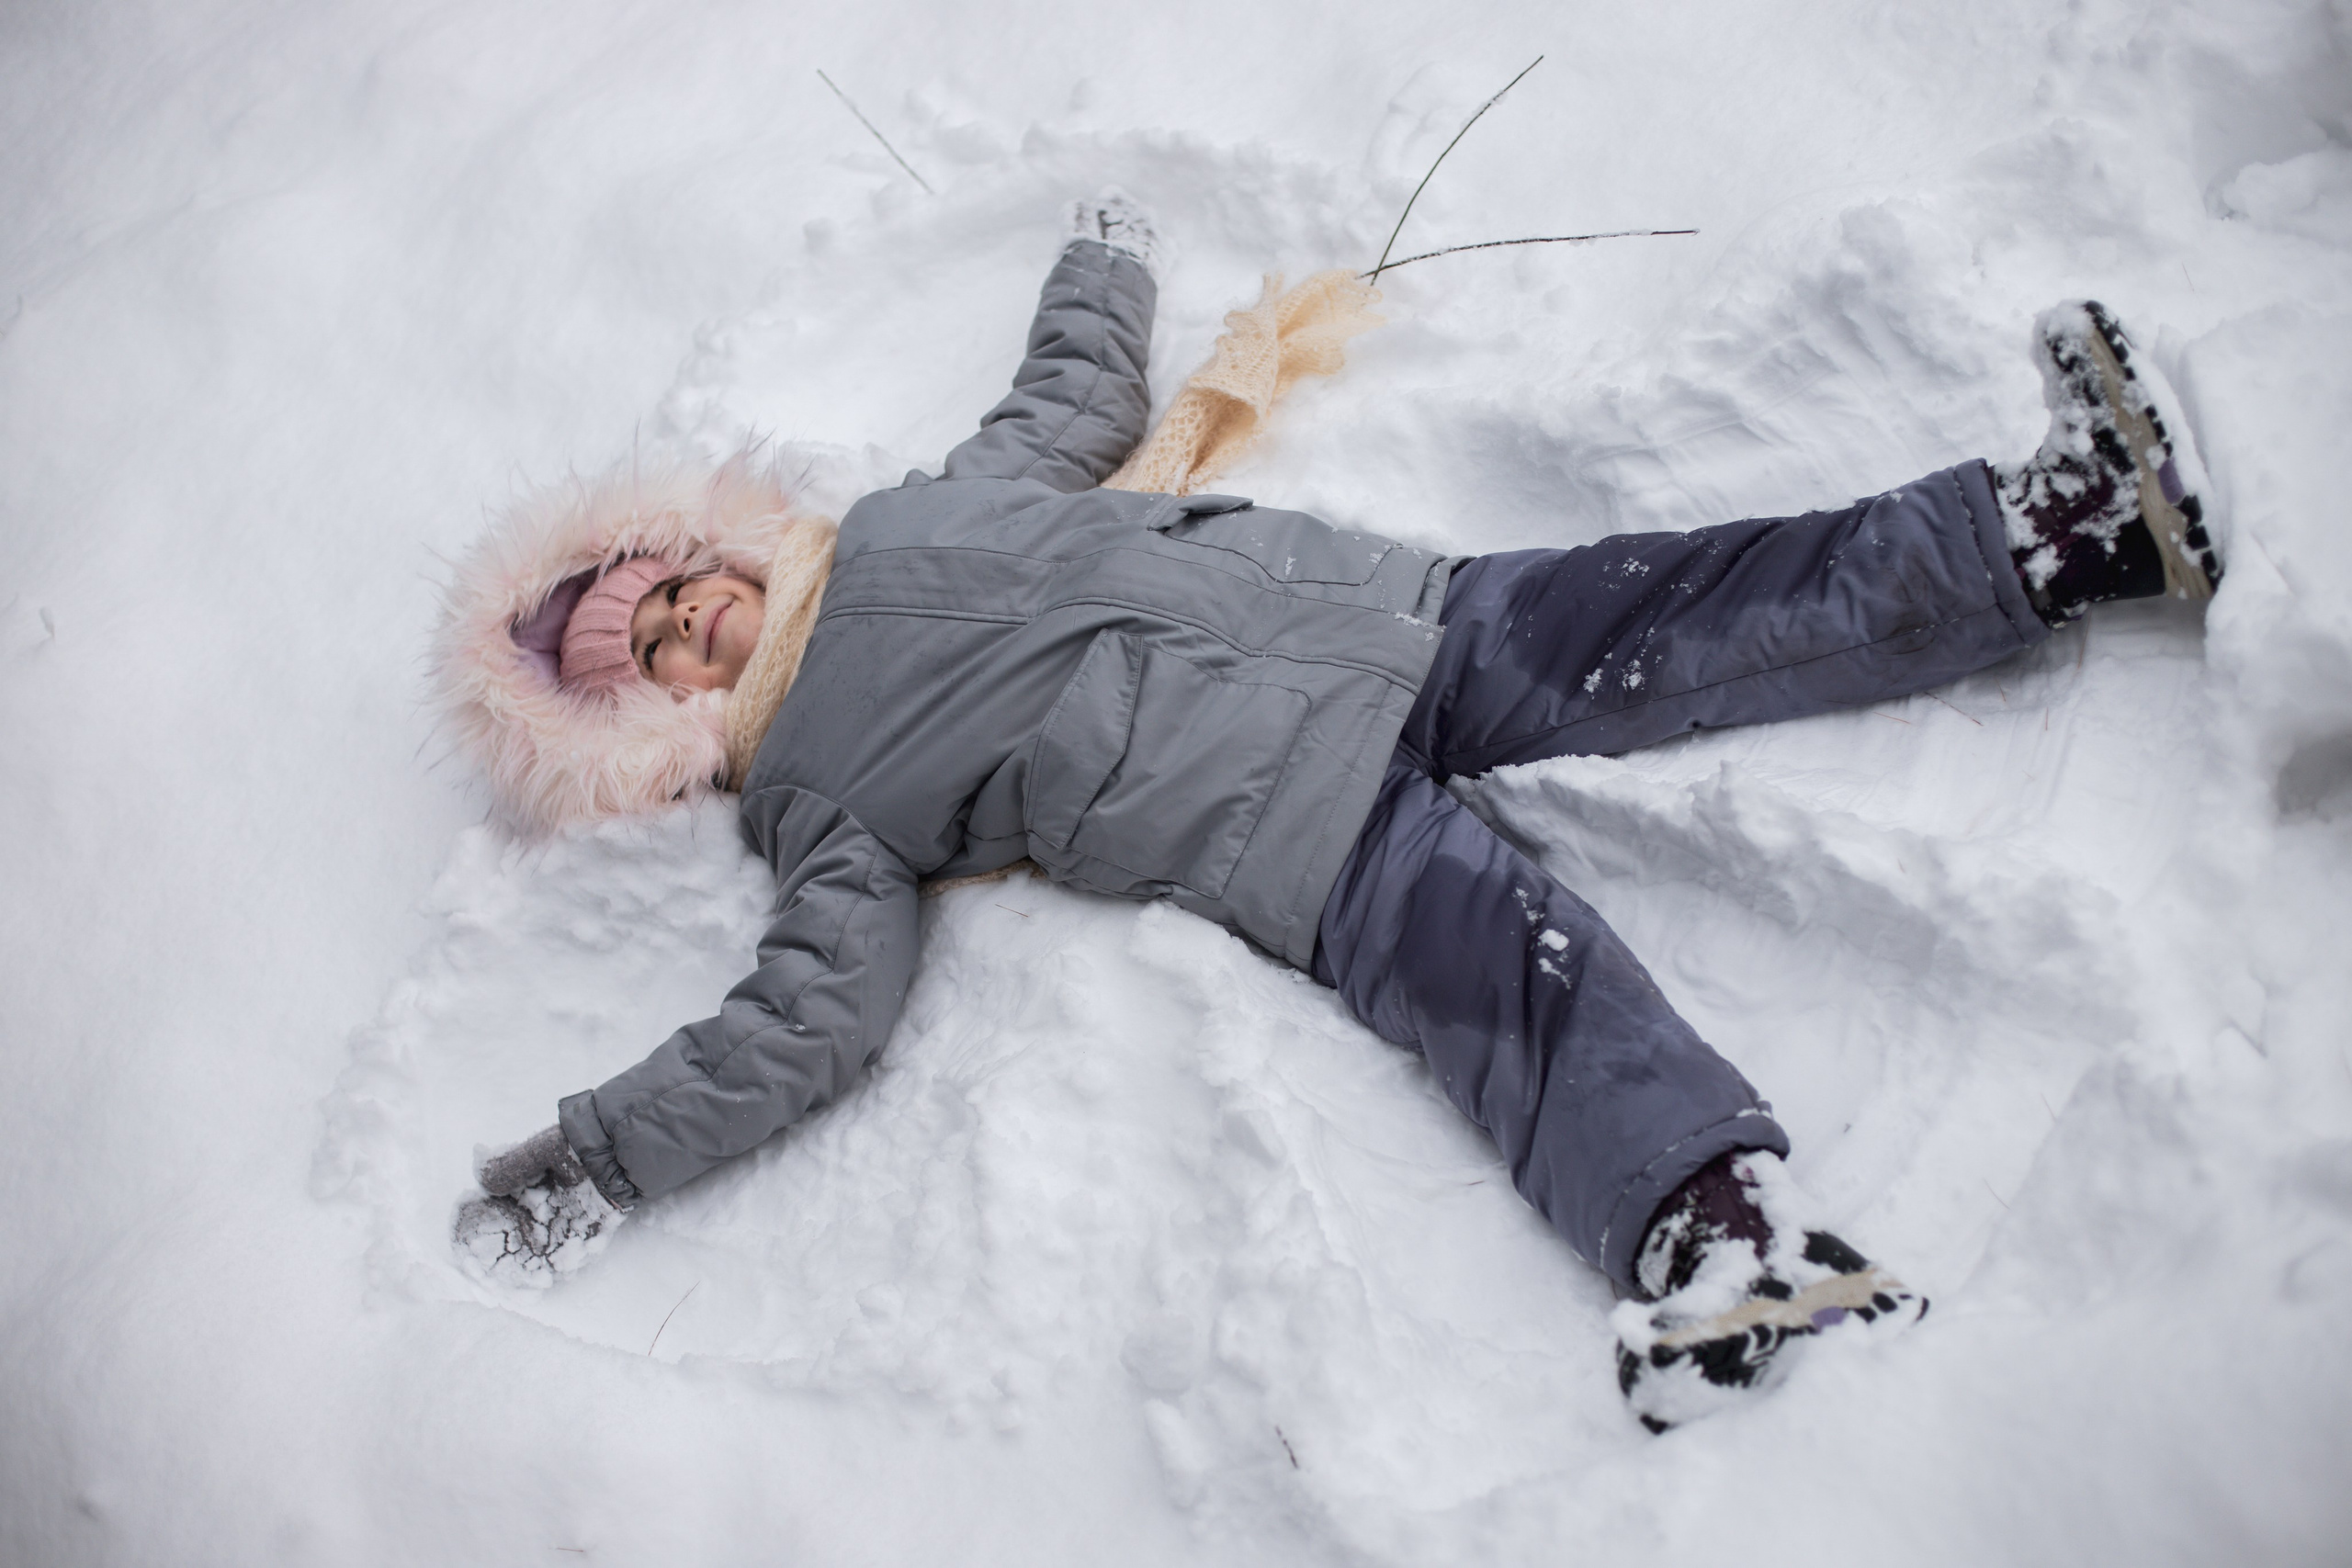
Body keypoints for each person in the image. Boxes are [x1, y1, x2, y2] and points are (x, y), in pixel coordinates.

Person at [442, 193, 2222, 1432]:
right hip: (1285, 816)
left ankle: (2060, 529)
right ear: (649, 732)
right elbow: (807, 1013)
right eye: (654, 658)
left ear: (697, 546)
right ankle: (1721, 1240)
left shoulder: (911, 513)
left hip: (1392, 617)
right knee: (1520, 988)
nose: (689, 629)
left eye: (671, 593)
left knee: (1688, 599)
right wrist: (601, 1153)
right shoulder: (813, 795)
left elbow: (1062, 405)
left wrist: (1103, 256)